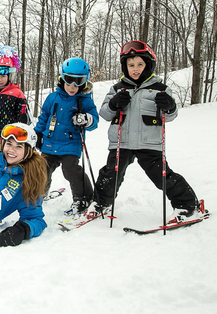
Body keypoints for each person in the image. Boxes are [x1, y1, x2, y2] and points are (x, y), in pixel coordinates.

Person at [92, 40, 200, 223]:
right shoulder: (117, 88)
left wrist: (170, 106)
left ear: (148, 65)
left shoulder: (161, 89)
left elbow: (171, 116)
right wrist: (114, 103)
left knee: (162, 176)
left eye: (140, 64)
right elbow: (104, 113)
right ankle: (100, 204)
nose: (135, 69)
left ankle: (188, 205)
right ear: (125, 67)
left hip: (149, 143)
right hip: (121, 142)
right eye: (131, 65)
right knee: (110, 175)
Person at [34, 57, 99, 215]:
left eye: (79, 81)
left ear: (84, 81)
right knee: (42, 167)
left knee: (70, 169)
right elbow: (44, 117)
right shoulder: (52, 98)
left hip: (71, 144)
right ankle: (39, 194)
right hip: (50, 143)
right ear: (61, 78)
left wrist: (86, 119)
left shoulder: (84, 101)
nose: (73, 86)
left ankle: (83, 197)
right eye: (69, 81)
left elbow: (94, 120)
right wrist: (38, 134)